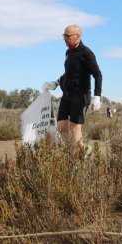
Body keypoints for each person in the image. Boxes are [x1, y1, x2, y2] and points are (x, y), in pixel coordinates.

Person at [42, 24, 102, 153]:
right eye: (64, 36)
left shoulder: (86, 53)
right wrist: (56, 83)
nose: (65, 38)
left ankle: (80, 154)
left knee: (74, 127)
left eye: (67, 36)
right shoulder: (68, 52)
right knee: (62, 127)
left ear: (77, 36)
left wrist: (97, 96)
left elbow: (97, 74)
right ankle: (79, 150)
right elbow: (69, 73)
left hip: (81, 96)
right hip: (67, 95)